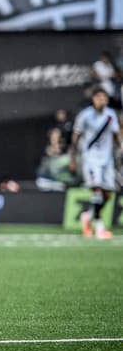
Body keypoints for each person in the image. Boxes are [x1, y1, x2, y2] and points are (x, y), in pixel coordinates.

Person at [70, 86, 120, 240]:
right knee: (97, 189)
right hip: (91, 158)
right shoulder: (85, 116)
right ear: (93, 99)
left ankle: (88, 216)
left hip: (107, 160)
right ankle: (99, 228)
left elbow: (116, 135)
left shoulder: (111, 115)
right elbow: (76, 136)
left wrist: (120, 151)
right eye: (99, 97)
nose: (102, 100)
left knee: (108, 193)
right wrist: (73, 157)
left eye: (104, 98)